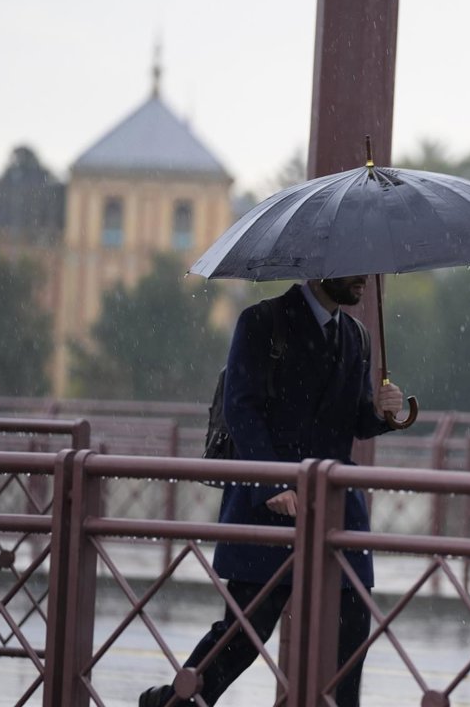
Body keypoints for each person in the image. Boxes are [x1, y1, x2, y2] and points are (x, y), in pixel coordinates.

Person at [140, 275, 403, 707]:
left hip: (336, 504)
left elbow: (355, 421)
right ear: (318, 268)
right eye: (351, 267)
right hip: (269, 503)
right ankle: (174, 703)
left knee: (352, 627)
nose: (362, 277)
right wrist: (272, 482)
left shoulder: (357, 336)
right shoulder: (263, 321)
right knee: (246, 632)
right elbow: (240, 408)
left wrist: (383, 413)